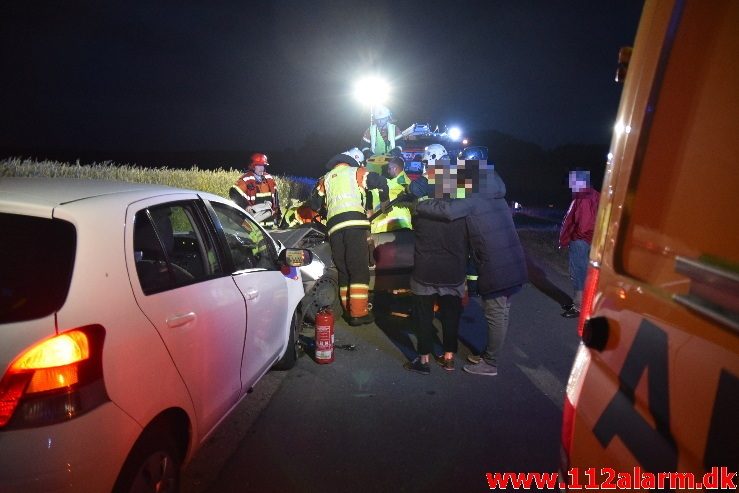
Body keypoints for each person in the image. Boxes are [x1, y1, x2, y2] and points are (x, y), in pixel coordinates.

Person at [415, 146, 528, 377]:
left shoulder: (476, 194)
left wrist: (420, 205)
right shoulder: (490, 186)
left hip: (498, 264)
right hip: (511, 260)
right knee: (501, 311)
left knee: (495, 313)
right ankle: (488, 354)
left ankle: (490, 363)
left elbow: (448, 211)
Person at [404, 147, 468, 375]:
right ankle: (449, 357)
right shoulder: (461, 206)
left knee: (423, 316)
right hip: (453, 270)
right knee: (451, 315)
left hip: (425, 270)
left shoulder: (420, 209)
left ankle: (423, 359)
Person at [309, 147, 389, 326]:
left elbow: (314, 204)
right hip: (354, 225)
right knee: (358, 268)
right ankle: (359, 313)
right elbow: (381, 181)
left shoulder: (325, 179)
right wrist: (385, 200)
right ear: (351, 162)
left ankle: (348, 310)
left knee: (343, 269)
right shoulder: (357, 172)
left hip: (334, 229)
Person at [559, 169, 599, 312]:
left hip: (581, 240)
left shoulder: (584, 196)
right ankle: (585, 304)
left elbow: (584, 224)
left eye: (572, 181)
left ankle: (578, 306)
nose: (570, 185)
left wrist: (575, 236)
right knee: (584, 271)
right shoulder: (593, 194)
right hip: (589, 239)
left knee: (578, 272)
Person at [230, 152, 281, 228]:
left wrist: (278, 214)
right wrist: (245, 205)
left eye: (263, 166)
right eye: (259, 165)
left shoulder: (269, 179)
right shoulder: (247, 179)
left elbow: (275, 196)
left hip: (269, 224)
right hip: (254, 225)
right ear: (253, 166)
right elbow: (233, 192)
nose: (262, 168)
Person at [369, 156, 413, 233]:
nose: (388, 172)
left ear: (395, 168)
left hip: (393, 225)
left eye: (389, 169)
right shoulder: (400, 181)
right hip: (397, 224)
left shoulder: (401, 182)